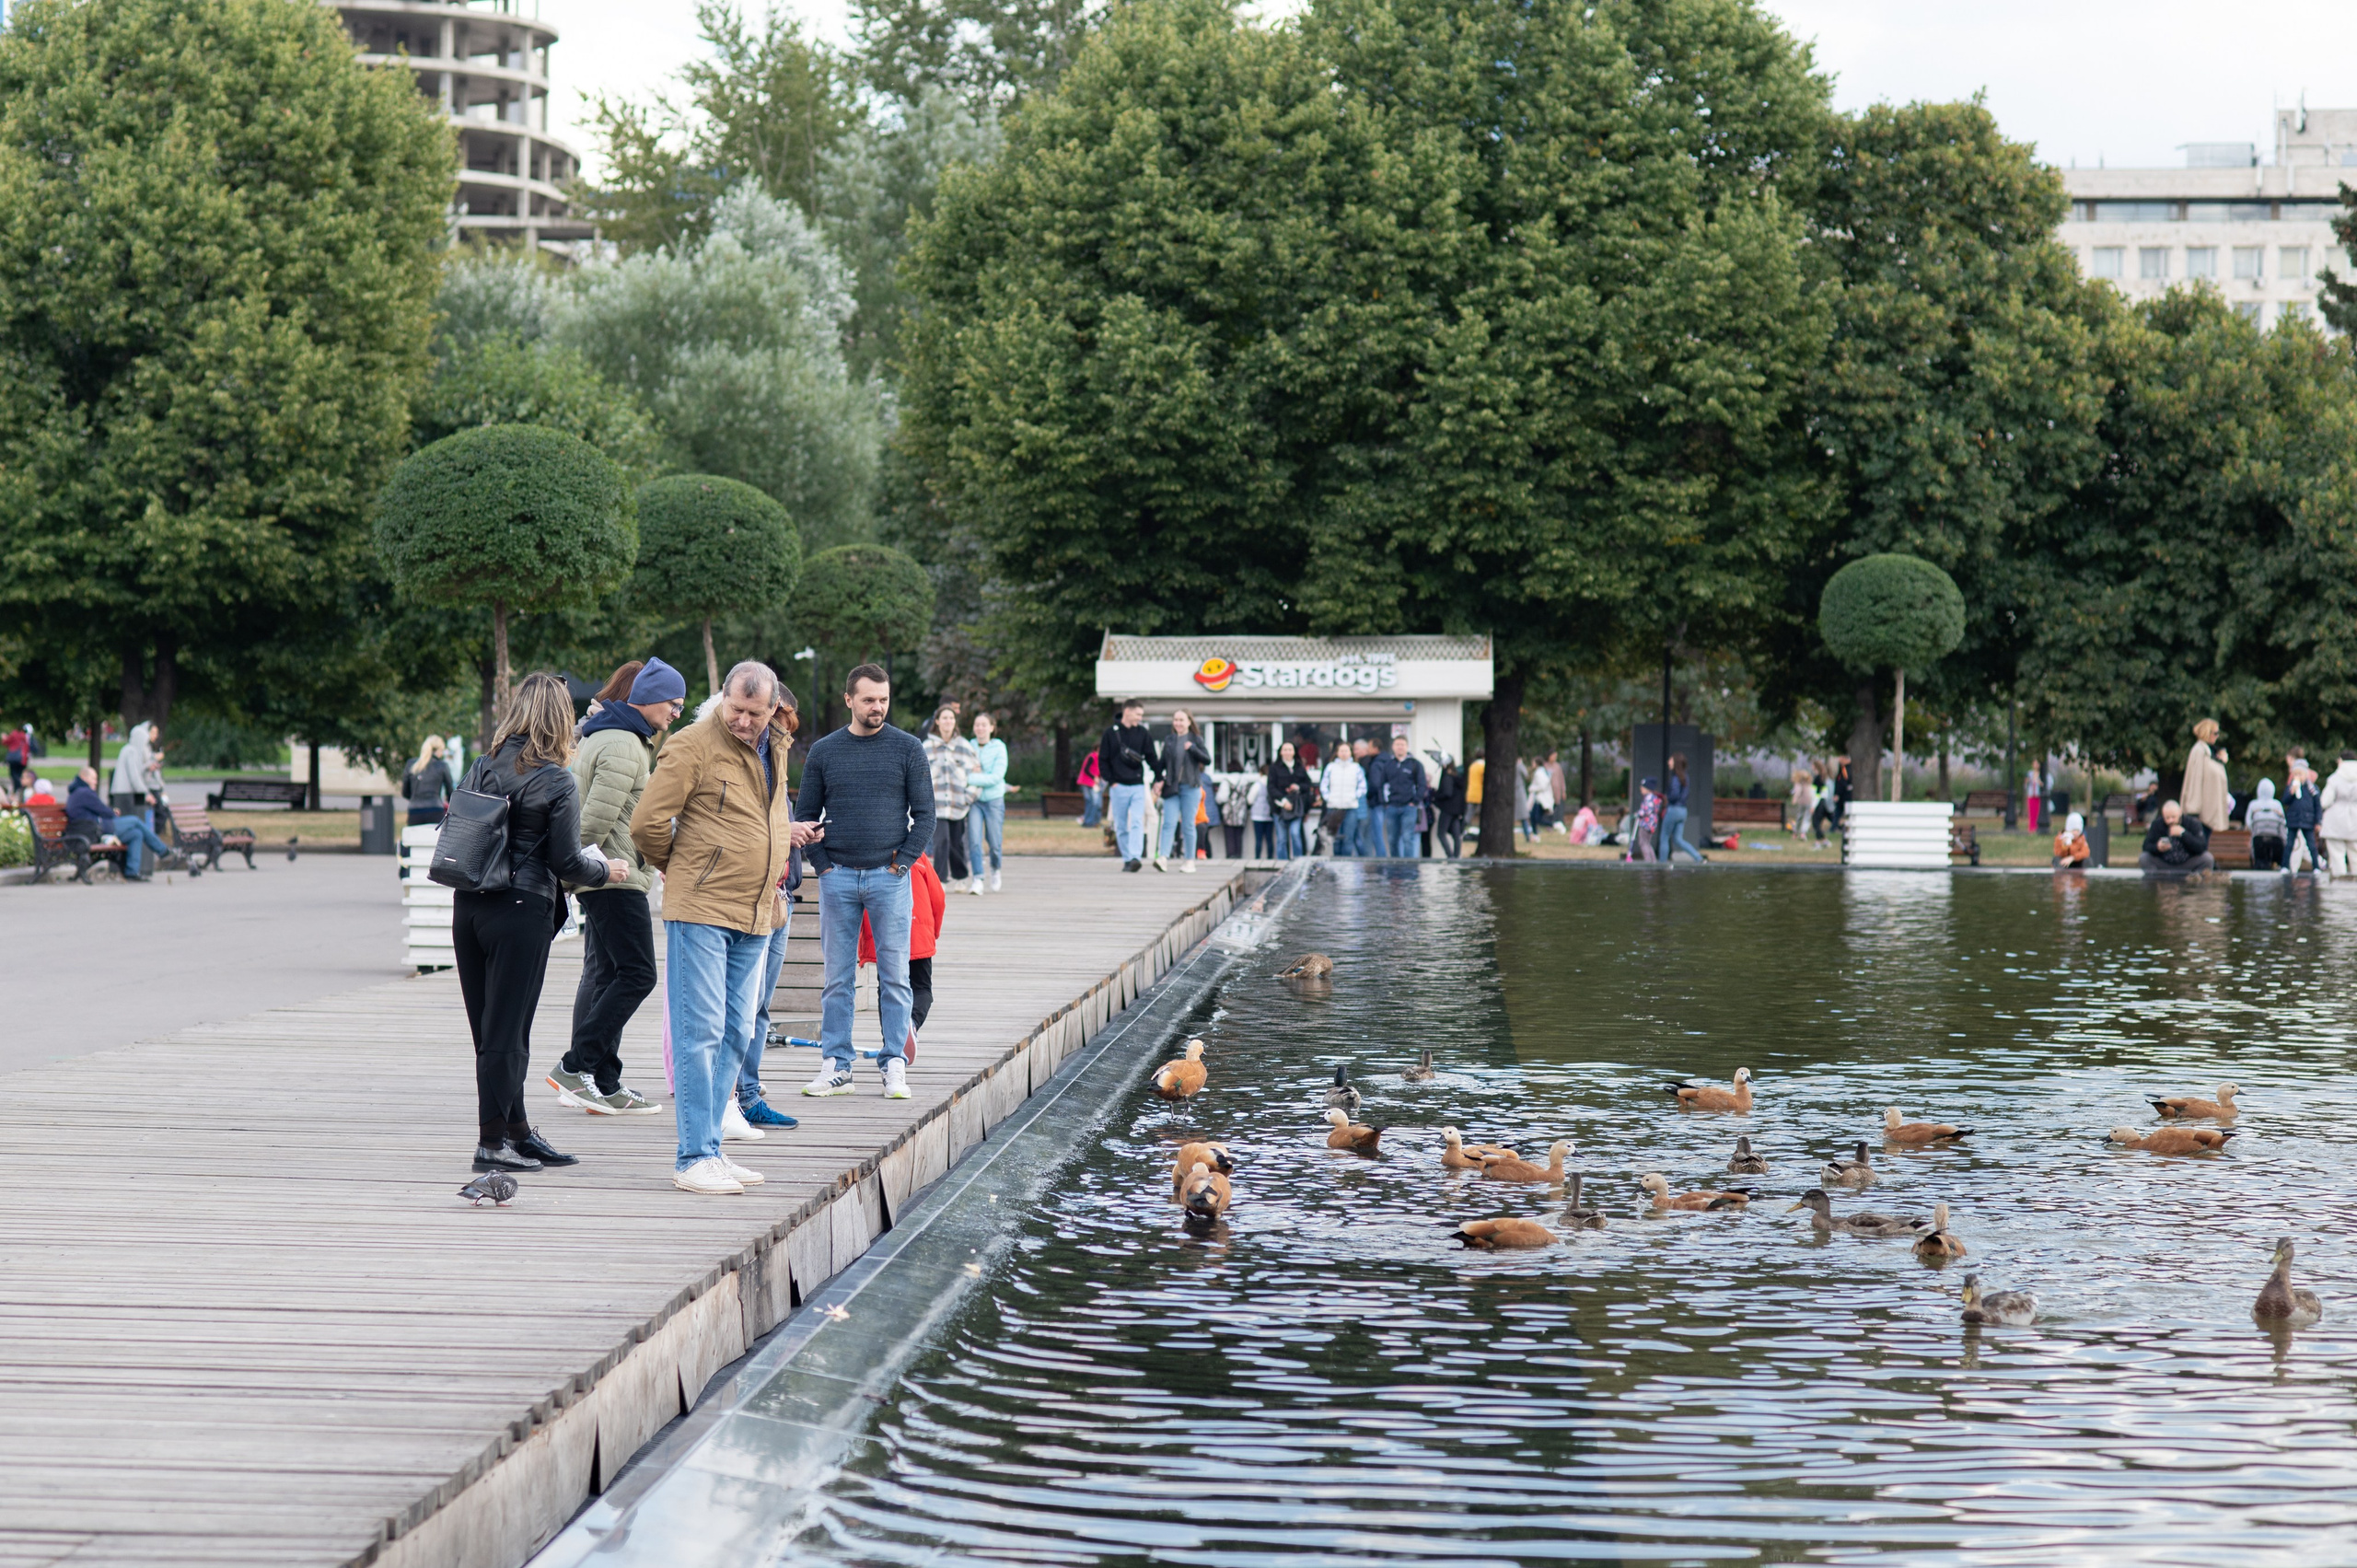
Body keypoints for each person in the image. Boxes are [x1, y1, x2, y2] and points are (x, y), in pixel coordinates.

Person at [630, 662, 813, 1195]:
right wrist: (684, 867)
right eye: (735, 709)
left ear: (773, 708)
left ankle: (711, 1147)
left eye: (755, 713)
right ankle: (691, 1157)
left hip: (757, 910)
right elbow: (646, 824)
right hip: (702, 910)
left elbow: (773, 816)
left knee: (737, 1032)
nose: (743, 720)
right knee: (700, 1033)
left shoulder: (775, 742)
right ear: (723, 699)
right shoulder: (691, 744)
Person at [454, 673, 628, 1175]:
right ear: (559, 719)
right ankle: (491, 1144)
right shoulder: (555, 780)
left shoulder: (481, 767)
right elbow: (568, 863)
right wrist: (608, 869)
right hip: (520, 909)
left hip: (468, 908)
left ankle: (517, 1131)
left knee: (489, 1032)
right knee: (508, 1033)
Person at [548, 656, 686, 1120]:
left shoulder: (605, 736)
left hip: (610, 875)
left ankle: (603, 1081)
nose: (676, 713)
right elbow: (595, 820)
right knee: (639, 974)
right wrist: (579, 873)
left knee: (608, 975)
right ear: (646, 700)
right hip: (614, 878)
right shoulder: (626, 746)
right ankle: (575, 1066)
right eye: (673, 703)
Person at [795, 663, 935, 1101]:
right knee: (838, 978)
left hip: (889, 878)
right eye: (869, 699)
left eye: (884, 700)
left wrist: (902, 864)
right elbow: (805, 816)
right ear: (849, 700)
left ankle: (895, 1062)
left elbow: (926, 815)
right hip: (837, 878)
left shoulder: (908, 748)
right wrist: (823, 865)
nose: (878, 707)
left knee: (895, 977)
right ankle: (837, 1065)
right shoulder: (824, 751)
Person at [736, 682, 812, 1132]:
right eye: (779, 722)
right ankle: (736, 1098)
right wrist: (787, 833)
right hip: (750, 900)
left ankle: (748, 1091)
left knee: (760, 1005)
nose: (784, 732)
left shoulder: (775, 758)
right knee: (741, 1007)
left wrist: (792, 831)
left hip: (781, 895)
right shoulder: (737, 756)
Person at [860, 850, 945, 1061]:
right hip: (919, 931)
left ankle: (890, 1043)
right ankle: (912, 1023)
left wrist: (864, 946)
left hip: (884, 933)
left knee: (886, 988)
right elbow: (938, 897)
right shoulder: (919, 857)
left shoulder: (870, 857)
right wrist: (933, 931)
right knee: (922, 988)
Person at [66, 764, 173, 879]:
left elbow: (97, 810)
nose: (96, 782)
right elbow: (104, 811)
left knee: (136, 834)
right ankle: (162, 850)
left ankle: (132, 872)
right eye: (93, 778)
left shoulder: (77, 792)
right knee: (135, 821)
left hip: (92, 828)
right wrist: (113, 812)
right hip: (95, 829)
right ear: (84, 777)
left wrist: (110, 812)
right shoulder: (84, 792)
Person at [1097, 699, 1160, 872]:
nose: (1140, 718)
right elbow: (1103, 760)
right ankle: (1127, 858)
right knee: (1121, 823)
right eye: (1138, 714)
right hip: (1119, 786)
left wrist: (1159, 776)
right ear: (1127, 712)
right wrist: (1112, 781)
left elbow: (1151, 757)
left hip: (1138, 785)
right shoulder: (1110, 733)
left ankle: (1135, 857)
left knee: (1137, 822)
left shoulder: (1142, 733)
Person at [923, 706, 978, 890]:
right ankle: (940, 880)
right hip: (937, 805)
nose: (948, 722)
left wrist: (969, 796)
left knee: (956, 843)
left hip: (958, 804)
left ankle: (961, 876)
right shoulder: (927, 747)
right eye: (944, 718)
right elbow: (920, 777)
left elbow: (976, 773)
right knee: (942, 840)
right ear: (937, 721)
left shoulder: (963, 745)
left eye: (951, 718)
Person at [1151, 709, 1213, 871]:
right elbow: (1162, 763)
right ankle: (1163, 857)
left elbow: (1207, 759)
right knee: (1168, 823)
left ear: (1189, 722)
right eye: (1175, 720)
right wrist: (1157, 781)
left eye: (1181, 720)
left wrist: (1192, 748)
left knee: (1188, 824)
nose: (1178, 723)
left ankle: (1189, 861)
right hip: (1172, 787)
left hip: (1191, 787)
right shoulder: (1169, 740)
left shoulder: (1195, 739)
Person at [966, 711, 1011, 892]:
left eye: (984, 724)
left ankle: (995, 868)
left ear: (992, 728)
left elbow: (997, 777)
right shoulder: (968, 746)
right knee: (974, 840)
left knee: (994, 841)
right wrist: (970, 776)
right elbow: (962, 772)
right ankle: (977, 877)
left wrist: (973, 777)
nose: (980, 728)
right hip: (975, 800)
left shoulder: (999, 748)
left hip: (994, 800)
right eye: (977, 724)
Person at [1367, 733, 1426, 857]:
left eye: (1402, 745)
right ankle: (1395, 868)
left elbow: (1422, 785)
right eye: (1397, 744)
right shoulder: (1388, 765)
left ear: (1407, 747)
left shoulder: (1415, 764)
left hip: (1409, 807)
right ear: (1393, 747)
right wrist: (1385, 803)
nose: (1400, 747)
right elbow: (1381, 785)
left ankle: (1408, 868)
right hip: (1392, 807)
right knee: (1392, 839)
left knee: (1407, 838)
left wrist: (1415, 801)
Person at [109, 721, 165, 824]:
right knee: (135, 820)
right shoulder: (131, 751)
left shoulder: (130, 750)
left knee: (140, 816)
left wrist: (147, 768)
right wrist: (146, 794)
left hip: (129, 792)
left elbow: (137, 773)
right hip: (125, 793)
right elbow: (134, 777)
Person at [1318, 739, 1366, 857]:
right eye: (1342, 751)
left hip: (1350, 808)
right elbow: (1324, 784)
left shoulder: (1356, 768)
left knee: (1348, 838)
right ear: (1337, 752)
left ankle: (1347, 864)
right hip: (1334, 807)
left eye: (1346, 751)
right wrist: (1328, 798)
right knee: (1335, 838)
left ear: (1350, 753)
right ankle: (1337, 864)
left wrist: (1353, 797)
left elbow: (1363, 787)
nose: (1344, 753)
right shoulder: (1331, 767)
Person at [2140, 798, 2213, 875]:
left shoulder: (2192, 823)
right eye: (2167, 818)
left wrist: (2183, 834)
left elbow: (2201, 847)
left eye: (2173, 817)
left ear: (2180, 813)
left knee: (2207, 858)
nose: (2170, 821)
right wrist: (2157, 847)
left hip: (2187, 863)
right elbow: (2146, 846)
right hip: (2164, 863)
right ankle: (2156, 880)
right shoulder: (2157, 824)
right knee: (2144, 857)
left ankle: (2194, 880)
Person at [2182, 720, 2231, 829]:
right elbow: (2195, 779)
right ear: (2207, 732)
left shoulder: (2209, 751)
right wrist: (2193, 809)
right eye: (2215, 733)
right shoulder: (2199, 751)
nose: (2217, 736)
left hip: (2209, 811)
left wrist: (2222, 759)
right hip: (2201, 813)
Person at [1661, 753, 1707, 865]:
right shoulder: (1686, 777)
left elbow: (1674, 794)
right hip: (1683, 811)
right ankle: (1698, 857)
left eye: (1670, 760)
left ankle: (1661, 863)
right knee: (1678, 839)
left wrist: (1667, 798)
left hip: (1673, 809)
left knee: (1664, 837)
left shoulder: (1676, 778)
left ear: (1675, 762)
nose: (1668, 762)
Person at [1266, 742, 1309, 860]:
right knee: (1282, 839)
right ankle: (1282, 864)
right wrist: (1283, 801)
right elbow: (1271, 788)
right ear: (1281, 752)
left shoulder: (1299, 767)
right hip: (1280, 808)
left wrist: (1298, 787)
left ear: (1294, 752)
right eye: (1285, 749)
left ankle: (1298, 862)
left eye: (1290, 749)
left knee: (1295, 834)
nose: (1288, 752)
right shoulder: (1274, 768)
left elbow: (1307, 785)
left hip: (1296, 808)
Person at [401, 734, 455, 829]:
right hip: (435, 810)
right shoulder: (442, 766)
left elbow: (405, 792)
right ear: (438, 750)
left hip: (415, 812)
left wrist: (415, 798)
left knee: (415, 842)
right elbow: (450, 791)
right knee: (435, 842)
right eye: (442, 750)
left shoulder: (411, 764)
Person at [2320, 750, 2357, 877]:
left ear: (2341, 761)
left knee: (2337, 857)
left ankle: (2340, 888)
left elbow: (2325, 801)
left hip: (2335, 821)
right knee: (2355, 856)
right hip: (2355, 821)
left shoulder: (2335, 778)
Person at [2284, 753, 2322, 874]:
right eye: (2295, 774)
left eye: (2300, 774)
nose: (2298, 777)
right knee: (2289, 844)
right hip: (2293, 819)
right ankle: (2284, 866)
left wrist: (2318, 821)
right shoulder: (2291, 787)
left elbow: (2318, 806)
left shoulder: (2312, 789)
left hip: (2308, 820)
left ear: (2305, 775)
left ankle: (2316, 867)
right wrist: (2291, 792)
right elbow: (2284, 801)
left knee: (2311, 845)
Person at [2245, 777, 2287, 871]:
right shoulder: (2277, 804)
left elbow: (2248, 823)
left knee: (2260, 861)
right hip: (2277, 840)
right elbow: (2284, 822)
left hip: (2258, 839)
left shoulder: (2253, 804)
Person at [1432, 757, 1468, 859]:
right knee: (1456, 835)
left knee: (1441, 833)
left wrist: (1436, 797)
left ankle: (1451, 856)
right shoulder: (1457, 776)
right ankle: (1456, 856)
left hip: (1448, 809)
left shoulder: (1448, 777)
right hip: (1457, 810)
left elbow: (1447, 792)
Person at [1628, 777, 1663, 862]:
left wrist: (1639, 814)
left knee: (1643, 842)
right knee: (1647, 843)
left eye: (1643, 788)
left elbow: (1647, 810)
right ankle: (1653, 860)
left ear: (1648, 789)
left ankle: (1648, 860)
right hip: (1651, 823)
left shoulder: (1649, 798)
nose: (1641, 789)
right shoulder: (1653, 798)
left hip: (1646, 824)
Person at [1525, 755, 1554, 842]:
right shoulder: (1540, 772)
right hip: (1538, 799)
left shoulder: (1539, 773)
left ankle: (1553, 825)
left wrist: (1532, 788)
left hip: (1541, 799)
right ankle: (1535, 835)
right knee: (1533, 817)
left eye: (1533, 762)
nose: (1532, 764)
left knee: (1537, 818)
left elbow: (1542, 785)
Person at [1077, 746, 1103, 827]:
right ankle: (1089, 822)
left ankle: (1094, 822)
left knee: (1095, 803)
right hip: (1087, 782)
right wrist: (1094, 777)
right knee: (1092, 802)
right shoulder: (1092, 756)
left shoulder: (1099, 759)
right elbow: (1086, 769)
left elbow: (1098, 771)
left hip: (1093, 783)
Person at [1788, 765, 1817, 838]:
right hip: (1808, 802)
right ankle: (1803, 833)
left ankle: (1796, 832)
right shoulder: (1808, 784)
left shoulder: (1798, 784)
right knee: (1806, 818)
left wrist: (1795, 799)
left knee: (1799, 817)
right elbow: (1812, 794)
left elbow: (1797, 791)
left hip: (1801, 802)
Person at [4, 720, 29, 799]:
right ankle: (19, 790)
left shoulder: (14, 734)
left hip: (14, 758)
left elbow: (6, 742)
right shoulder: (25, 736)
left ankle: (17, 789)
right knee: (20, 775)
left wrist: (4, 737)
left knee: (14, 775)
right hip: (22, 759)